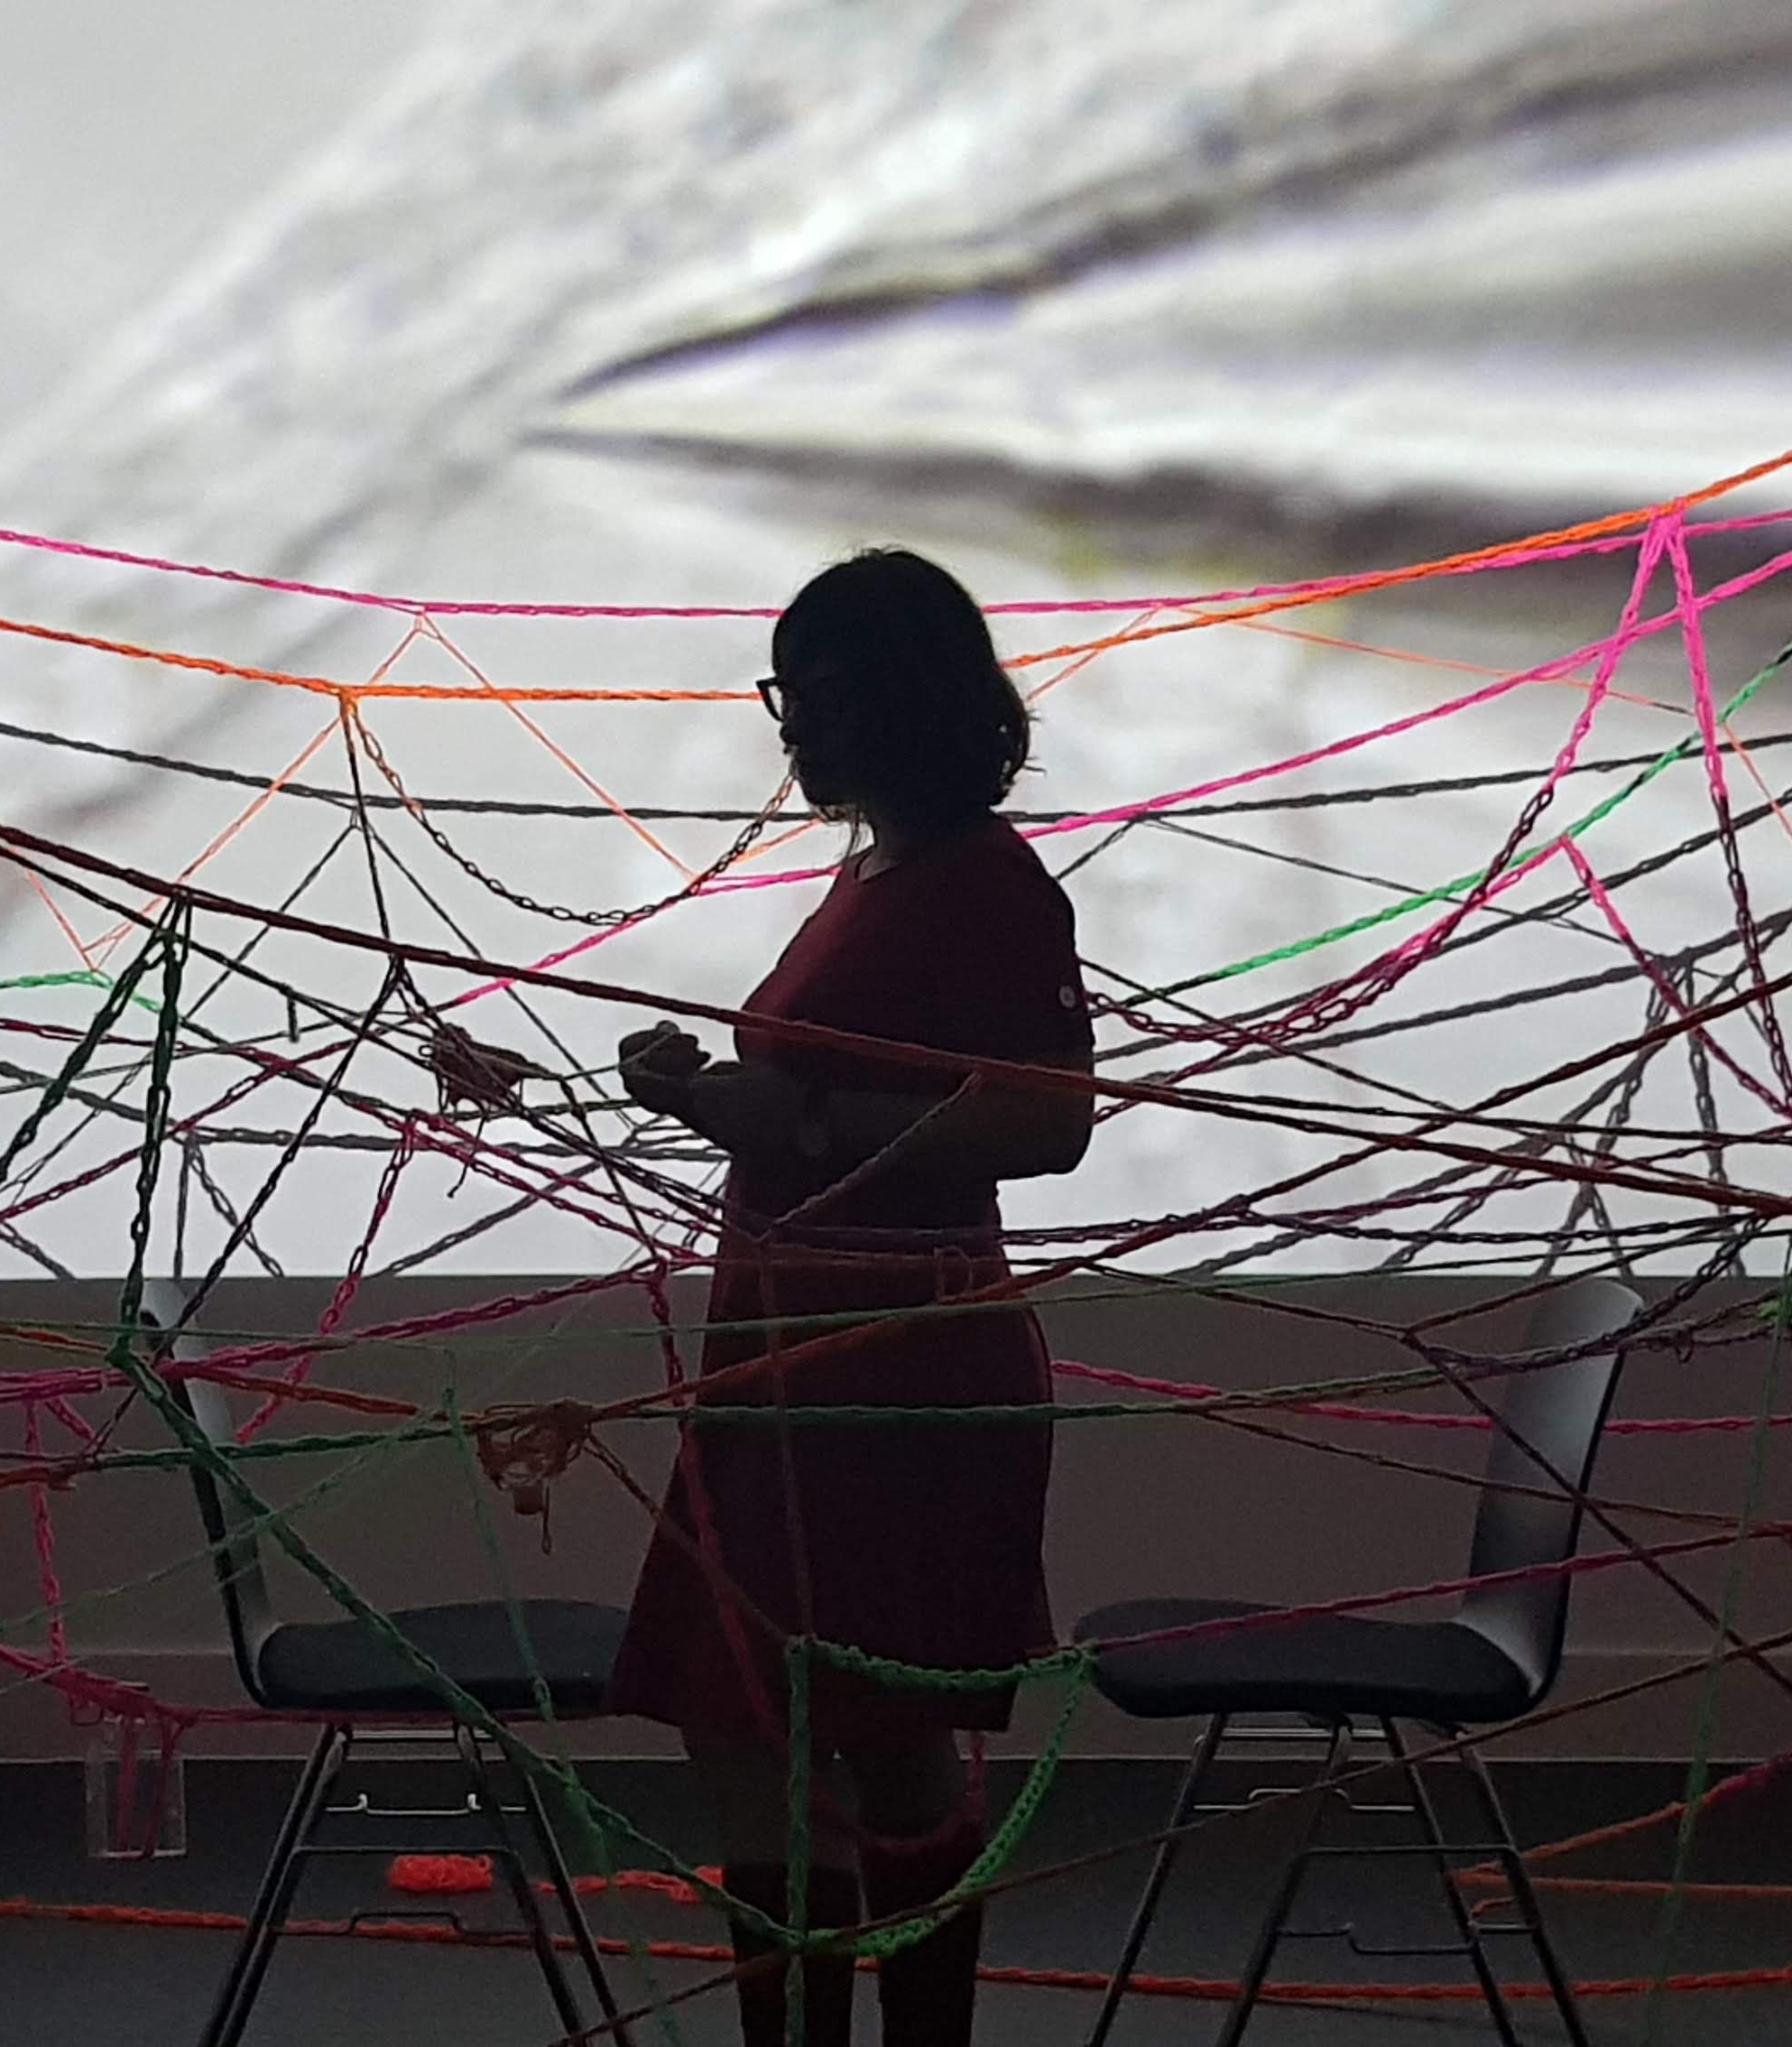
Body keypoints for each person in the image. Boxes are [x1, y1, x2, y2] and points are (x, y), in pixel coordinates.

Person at [609, 550, 1095, 2047]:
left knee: (880, 1737)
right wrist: (710, 1098)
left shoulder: (989, 882)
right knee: (748, 1714)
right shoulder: (866, 867)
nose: (791, 726)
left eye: (818, 693)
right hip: (780, 1353)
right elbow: (837, 1088)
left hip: (897, 1371)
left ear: (907, 699)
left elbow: (1047, 1121)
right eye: (782, 692)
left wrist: (794, 1119)